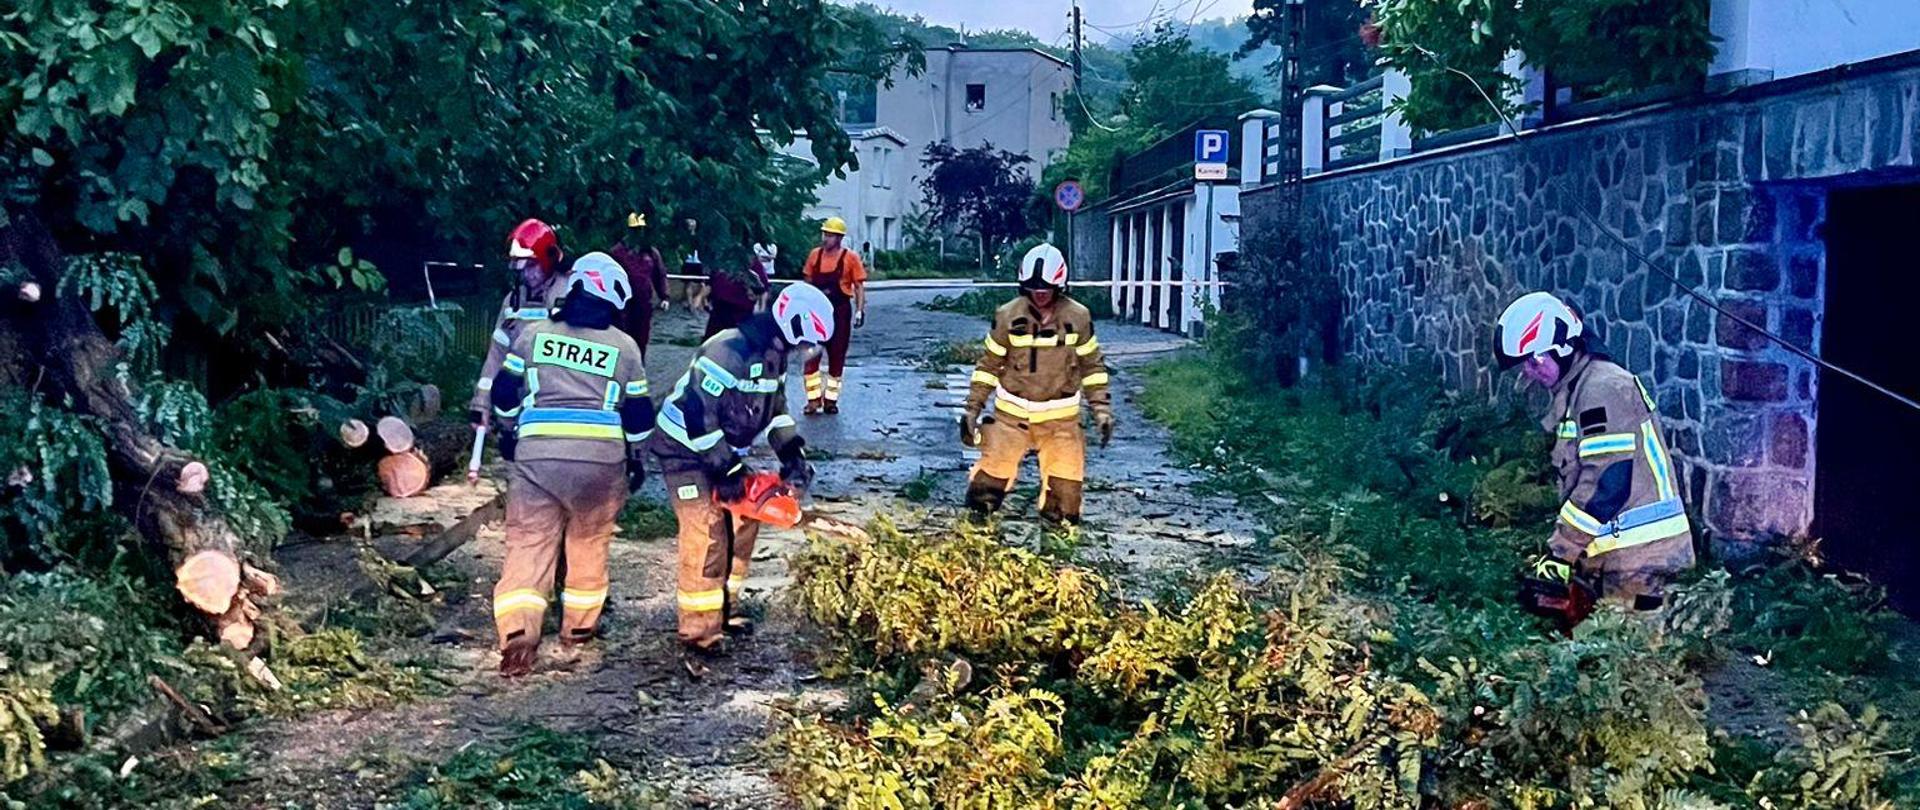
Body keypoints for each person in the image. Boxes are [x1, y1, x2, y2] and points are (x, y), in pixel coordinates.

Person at [486, 253, 654, 677]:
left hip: (536, 461)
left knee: (528, 544)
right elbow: (637, 416)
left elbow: (504, 392)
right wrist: (636, 459)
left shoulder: (532, 335)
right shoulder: (625, 349)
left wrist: (508, 431)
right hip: (600, 467)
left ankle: (518, 635)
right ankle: (578, 630)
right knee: (588, 543)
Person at [650, 283, 834, 665]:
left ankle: (724, 607)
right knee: (707, 529)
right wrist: (726, 468)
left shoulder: (774, 356)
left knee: (743, 522)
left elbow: (775, 409)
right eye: (807, 341)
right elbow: (698, 413)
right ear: (793, 325)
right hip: (684, 448)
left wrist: (791, 450)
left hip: (722, 449)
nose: (807, 351)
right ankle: (699, 629)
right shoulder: (726, 349)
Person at [1495, 291, 1695, 612]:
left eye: (1534, 362)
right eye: (1524, 367)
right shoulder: (1578, 392)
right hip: (1623, 560)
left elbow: (1607, 482)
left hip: (1643, 562)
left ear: (1561, 346)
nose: (1531, 374)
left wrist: (1561, 552)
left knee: (1630, 658)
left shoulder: (1602, 388)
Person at [960, 243, 1113, 525]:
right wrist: (972, 409)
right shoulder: (1007, 315)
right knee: (983, 493)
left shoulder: (1078, 318)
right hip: (1010, 420)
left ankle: (1058, 557)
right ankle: (976, 542)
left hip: (1061, 423)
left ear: (1060, 286)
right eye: (1033, 288)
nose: (1040, 294)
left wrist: (1100, 409)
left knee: (1064, 505)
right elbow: (988, 365)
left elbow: (1092, 366)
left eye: (1046, 289)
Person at [470, 219, 567, 428]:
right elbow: (497, 355)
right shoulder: (513, 302)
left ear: (549, 259)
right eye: (521, 267)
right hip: (517, 406)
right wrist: (481, 402)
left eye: (532, 265)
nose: (526, 274)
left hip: (556, 405)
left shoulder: (568, 296)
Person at [800, 217, 867, 414]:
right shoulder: (815, 255)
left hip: (840, 313)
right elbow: (806, 284)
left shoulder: (850, 258)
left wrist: (860, 311)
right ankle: (813, 401)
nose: (825, 238)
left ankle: (831, 400)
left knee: (837, 358)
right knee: (811, 357)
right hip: (816, 315)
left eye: (829, 235)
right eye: (824, 234)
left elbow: (859, 286)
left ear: (839, 238)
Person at [608, 212, 671, 360]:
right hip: (622, 303)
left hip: (644, 302)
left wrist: (664, 296)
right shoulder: (617, 251)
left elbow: (660, 274)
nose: (639, 233)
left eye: (641, 229)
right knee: (621, 336)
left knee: (641, 338)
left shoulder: (651, 252)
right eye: (636, 230)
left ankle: (638, 366)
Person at [702, 249, 767, 340]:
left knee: (737, 342)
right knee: (712, 341)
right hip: (720, 307)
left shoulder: (753, 264)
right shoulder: (722, 262)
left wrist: (760, 305)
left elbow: (763, 288)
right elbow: (711, 284)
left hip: (740, 310)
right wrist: (703, 298)